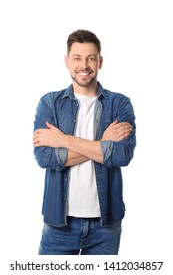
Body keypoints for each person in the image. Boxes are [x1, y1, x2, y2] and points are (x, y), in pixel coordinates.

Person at [33, 29, 136, 255]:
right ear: (67, 61)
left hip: (105, 226)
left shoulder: (119, 104)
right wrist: (102, 143)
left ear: (100, 61)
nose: (84, 65)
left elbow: (122, 155)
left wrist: (63, 140)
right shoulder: (49, 103)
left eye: (91, 58)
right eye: (77, 58)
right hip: (59, 223)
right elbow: (45, 158)